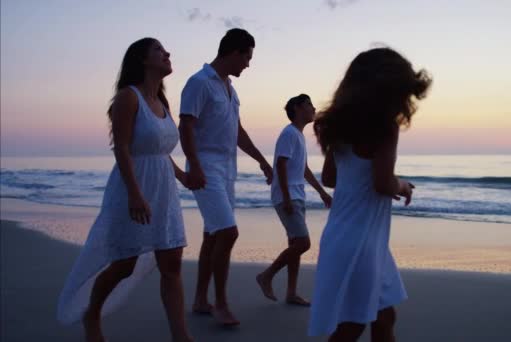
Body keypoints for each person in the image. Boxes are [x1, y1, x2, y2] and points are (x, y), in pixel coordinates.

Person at [57, 38, 194, 342]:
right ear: (143, 60)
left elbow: (158, 149)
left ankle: (181, 336)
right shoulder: (128, 98)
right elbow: (121, 147)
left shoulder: (162, 102)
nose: (167, 53)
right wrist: (135, 193)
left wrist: (182, 175)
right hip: (133, 187)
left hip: (164, 191)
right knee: (124, 264)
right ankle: (92, 313)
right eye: (159, 50)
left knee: (171, 265)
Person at [308, 47, 432, 341]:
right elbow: (382, 184)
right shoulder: (384, 129)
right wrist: (401, 185)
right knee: (352, 325)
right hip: (362, 242)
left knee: (383, 315)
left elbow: (329, 177)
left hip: (346, 235)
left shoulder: (337, 126)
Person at [179, 28, 272, 326]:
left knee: (212, 234)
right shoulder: (199, 83)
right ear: (234, 52)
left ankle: (199, 300)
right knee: (228, 232)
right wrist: (194, 164)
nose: (248, 63)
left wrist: (261, 160)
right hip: (206, 166)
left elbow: (237, 132)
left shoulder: (230, 88)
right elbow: (186, 126)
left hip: (228, 169)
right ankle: (220, 303)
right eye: (247, 56)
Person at [256, 94, 332, 306]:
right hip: (287, 196)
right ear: (298, 108)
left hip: (297, 194)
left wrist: (322, 192)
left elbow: (304, 169)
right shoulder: (289, 133)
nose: (314, 108)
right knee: (302, 243)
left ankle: (291, 293)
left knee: (295, 244)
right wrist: (287, 197)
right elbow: (280, 164)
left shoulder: (298, 135)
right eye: (309, 104)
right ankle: (266, 276)